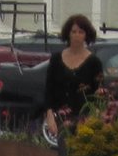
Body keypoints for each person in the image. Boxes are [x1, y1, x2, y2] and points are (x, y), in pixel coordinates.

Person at [42, 14, 105, 145]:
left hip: (85, 122)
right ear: (68, 34)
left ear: (86, 35)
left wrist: (94, 120)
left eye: (81, 32)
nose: (77, 35)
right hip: (61, 120)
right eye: (74, 31)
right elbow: (49, 89)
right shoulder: (56, 59)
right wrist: (49, 115)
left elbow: (99, 94)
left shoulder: (94, 62)